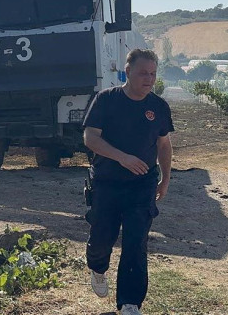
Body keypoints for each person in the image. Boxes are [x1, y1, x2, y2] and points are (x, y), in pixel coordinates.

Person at [82, 49, 174, 315]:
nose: (149, 79)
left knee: (136, 242)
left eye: (153, 74)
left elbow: (164, 144)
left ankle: (130, 303)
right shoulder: (106, 100)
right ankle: (98, 269)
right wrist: (122, 158)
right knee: (102, 238)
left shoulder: (158, 107)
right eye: (143, 73)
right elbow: (90, 138)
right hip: (107, 183)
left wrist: (165, 179)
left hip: (142, 185)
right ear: (128, 72)